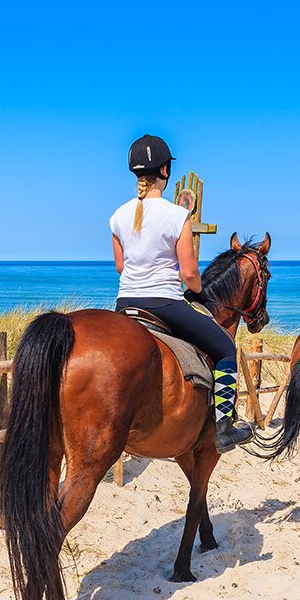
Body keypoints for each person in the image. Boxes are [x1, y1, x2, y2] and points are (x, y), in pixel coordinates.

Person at [110, 134, 254, 453]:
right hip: (163, 303)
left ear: (135, 172)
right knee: (225, 349)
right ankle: (224, 425)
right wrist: (198, 290)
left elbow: (121, 267)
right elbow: (189, 274)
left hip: (124, 304)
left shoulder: (118, 216)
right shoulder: (177, 215)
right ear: (165, 171)